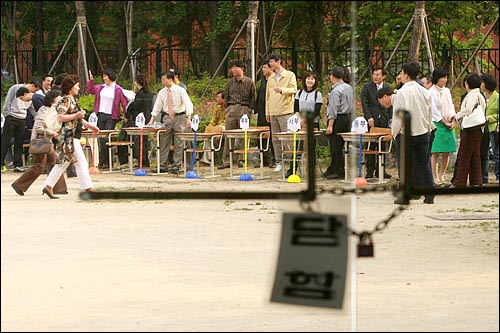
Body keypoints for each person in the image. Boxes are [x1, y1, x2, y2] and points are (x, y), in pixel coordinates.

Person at [43, 75, 99, 199]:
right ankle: (88, 188)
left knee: (63, 163)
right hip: (68, 137)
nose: (79, 88)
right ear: (70, 87)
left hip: (72, 136)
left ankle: (48, 186)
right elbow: (60, 117)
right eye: (77, 85)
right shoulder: (65, 100)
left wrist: (91, 126)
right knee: (80, 162)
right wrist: (77, 116)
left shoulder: (73, 100)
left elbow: (79, 119)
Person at [388, 62, 435, 204]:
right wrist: (427, 128)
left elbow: (398, 116)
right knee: (424, 164)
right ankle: (429, 195)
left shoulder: (402, 92)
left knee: (405, 166)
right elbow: (429, 113)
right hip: (422, 132)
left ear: (406, 75)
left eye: (402, 73)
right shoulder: (425, 91)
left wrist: (394, 132)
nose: (401, 76)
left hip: (406, 134)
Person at [11, 90, 68, 196]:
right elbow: (38, 128)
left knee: (54, 162)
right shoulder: (44, 110)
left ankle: (59, 188)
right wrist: (52, 132)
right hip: (40, 141)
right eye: (58, 98)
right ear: (52, 100)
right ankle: (19, 185)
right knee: (39, 166)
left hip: (46, 141)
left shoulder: (54, 110)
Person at [147, 70, 193, 174]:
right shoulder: (162, 92)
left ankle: (176, 165)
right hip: (167, 117)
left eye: (164, 79)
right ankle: (162, 165)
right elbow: (157, 106)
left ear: (170, 79)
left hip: (179, 117)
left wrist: (188, 117)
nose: (162, 82)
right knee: (164, 141)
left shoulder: (180, 90)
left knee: (179, 142)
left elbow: (188, 104)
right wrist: (151, 120)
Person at [86, 68, 128, 169]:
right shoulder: (101, 87)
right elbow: (90, 90)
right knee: (101, 138)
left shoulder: (118, 89)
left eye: (106, 76)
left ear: (110, 77)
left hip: (111, 116)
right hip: (100, 114)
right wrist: (91, 81)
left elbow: (124, 103)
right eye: (103, 76)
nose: (104, 78)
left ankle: (102, 161)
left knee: (105, 138)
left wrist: (126, 114)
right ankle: (106, 162)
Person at [451, 73, 487, 188]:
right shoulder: (480, 95)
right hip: (478, 128)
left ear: (467, 83)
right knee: (474, 155)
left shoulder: (471, 94)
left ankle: (459, 182)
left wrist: (457, 116)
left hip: (470, 128)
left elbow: (468, 108)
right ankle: (476, 181)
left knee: (464, 154)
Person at [219, 60, 256, 169]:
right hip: (231, 108)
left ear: (242, 68)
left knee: (243, 135)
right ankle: (226, 160)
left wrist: (250, 109)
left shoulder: (249, 82)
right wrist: (227, 108)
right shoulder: (230, 82)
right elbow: (226, 95)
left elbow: (253, 96)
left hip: (244, 108)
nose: (233, 70)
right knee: (229, 135)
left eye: (236, 67)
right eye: (232, 68)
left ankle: (242, 159)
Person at [1, 78, 42, 173]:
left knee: (19, 142)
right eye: (34, 90)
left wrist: (38, 117)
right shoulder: (16, 88)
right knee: (6, 141)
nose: (33, 92)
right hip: (12, 116)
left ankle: (18, 164)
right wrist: (8, 113)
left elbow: (32, 108)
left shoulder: (31, 96)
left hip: (22, 118)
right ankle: (1, 163)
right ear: (31, 85)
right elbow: (8, 100)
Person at [265, 53, 297, 173]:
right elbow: (268, 96)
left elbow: (294, 89)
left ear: (278, 61)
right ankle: (279, 161)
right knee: (276, 139)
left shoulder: (289, 75)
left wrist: (282, 90)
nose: (270, 64)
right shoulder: (271, 78)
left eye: (272, 61)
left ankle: (291, 162)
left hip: (285, 111)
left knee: (287, 139)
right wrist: (267, 112)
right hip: (273, 111)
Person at [288, 70, 323, 178]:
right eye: (308, 78)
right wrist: (300, 119)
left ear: (315, 81)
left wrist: (307, 120)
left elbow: (316, 110)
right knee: (297, 147)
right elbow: (296, 108)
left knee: (311, 148)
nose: (310, 81)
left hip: (313, 123)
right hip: (299, 124)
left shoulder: (318, 94)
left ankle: (310, 171)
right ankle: (292, 169)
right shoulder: (299, 93)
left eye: (312, 79)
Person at [360, 66, 393, 179]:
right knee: (370, 145)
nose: (375, 77)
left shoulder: (388, 88)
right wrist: (369, 117)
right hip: (371, 119)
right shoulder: (367, 87)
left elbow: (391, 104)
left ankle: (381, 170)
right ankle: (369, 170)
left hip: (384, 119)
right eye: (374, 74)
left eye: (378, 75)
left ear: (383, 76)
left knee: (382, 145)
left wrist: (391, 117)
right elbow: (365, 104)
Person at [118, 73, 155, 168]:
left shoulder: (139, 93)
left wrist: (130, 104)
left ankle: (140, 160)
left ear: (137, 83)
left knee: (138, 140)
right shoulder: (149, 93)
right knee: (144, 140)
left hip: (138, 119)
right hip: (147, 118)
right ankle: (145, 160)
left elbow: (136, 107)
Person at [323, 66, 353, 180]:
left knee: (335, 146)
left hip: (337, 119)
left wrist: (330, 125)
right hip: (347, 117)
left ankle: (339, 170)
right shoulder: (349, 88)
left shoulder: (335, 91)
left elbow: (333, 109)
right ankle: (333, 167)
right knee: (342, 145)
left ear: (332, 77)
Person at [428, 67, 456, 185]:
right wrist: (444, 122)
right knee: (436, 151)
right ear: (437, 78)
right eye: (443, 77)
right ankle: (434, 176)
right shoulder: (431, 92)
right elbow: (434, 110)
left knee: (447, 151)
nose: (445, 80)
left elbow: (451, 106)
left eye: (446, 77)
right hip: (438, 124)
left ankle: (442, 174)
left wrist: (453, 120)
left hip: (449, 123)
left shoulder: (447, 91)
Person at [253, 59, 275, 168]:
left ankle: (274, 159)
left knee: (271, 136)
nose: (263, 70)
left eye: (265, 67)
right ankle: (263, 159)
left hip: (270, 113)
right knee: (260, 136)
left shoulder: (274, 81)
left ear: (271, 68)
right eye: (262, 68)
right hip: (261, 113)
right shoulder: (263, 81)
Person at [481, 73, 499, 181]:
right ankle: (484, 177)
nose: (481, 84)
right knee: (484, 153)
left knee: (496, 153)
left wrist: (489, 118)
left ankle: (498, 176)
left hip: (493, 128)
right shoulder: (482, 96)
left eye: (482, 82)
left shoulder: (497, 97)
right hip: (483, 128)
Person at [200, 91, 226, 165]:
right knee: (207, 137)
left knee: (221, 128)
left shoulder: (228, 108)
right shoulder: (218, 108)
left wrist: (217, 127)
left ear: (224, 99)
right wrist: (210, 126)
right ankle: (207, 159)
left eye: (218, 97)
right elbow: (213, 120)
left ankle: (215, 158)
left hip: (224, 128)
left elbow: (226, 122)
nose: (216, 99)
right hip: (216, 129)